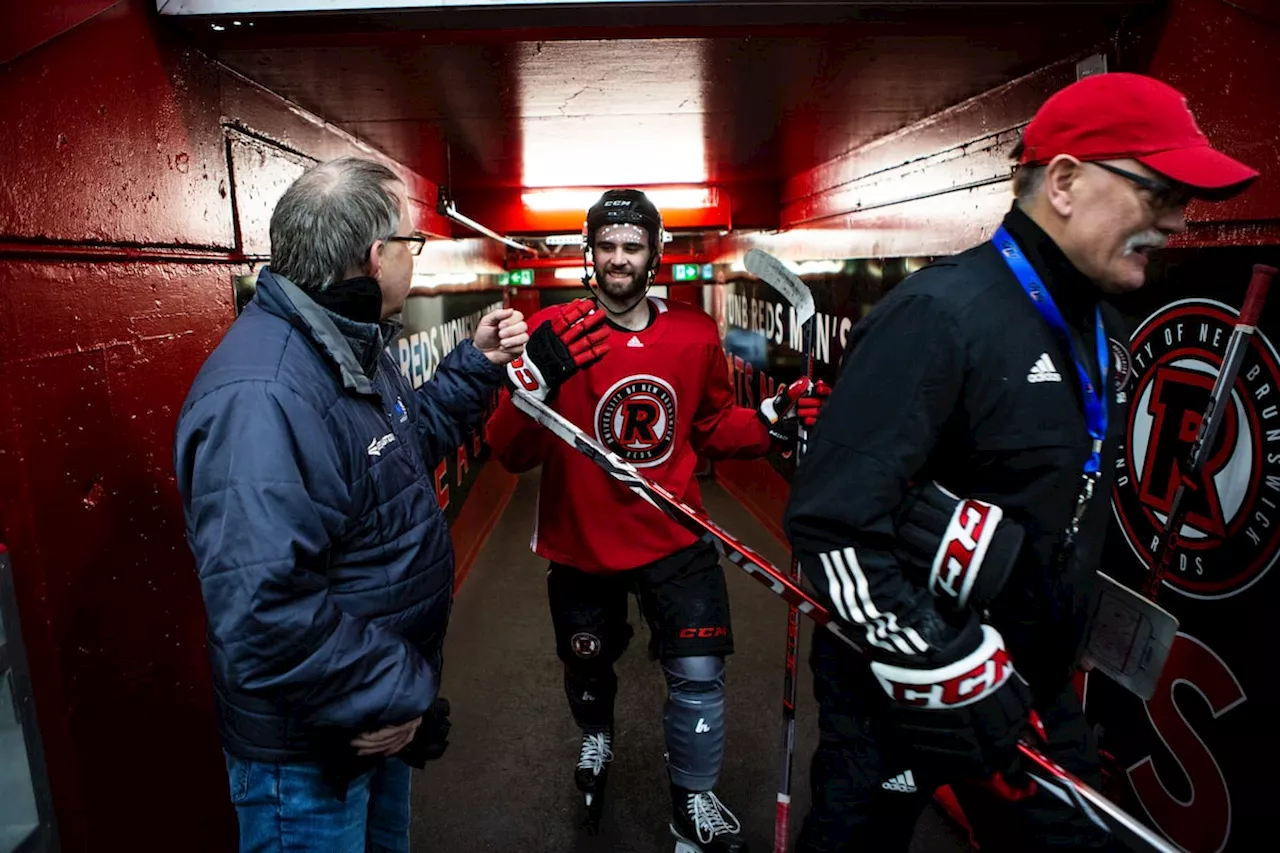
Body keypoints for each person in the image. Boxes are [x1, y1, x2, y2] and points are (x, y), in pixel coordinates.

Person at [783, 72, 1259, 852]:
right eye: (1159, 192)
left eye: (1184, 202)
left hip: (1033, 687)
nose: (1175, 222)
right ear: (1066, 181)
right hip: (898, 689)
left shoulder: (1104, 322)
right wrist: (944, 662)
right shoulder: (939, 315)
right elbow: (830, 522)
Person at [174, 156, 530, 853]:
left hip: (366, 721)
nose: (414, 260)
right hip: (309, 760)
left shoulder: (348, 345)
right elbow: (262, 612)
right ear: (376, 257)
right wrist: (403, 691)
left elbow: (398, 450)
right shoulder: (264, 395)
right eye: (412, 243)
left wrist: (474, 365)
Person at [485, 188, 829, 852]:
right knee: (587, 660)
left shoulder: (695, 333)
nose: (619, 259)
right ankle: (598, 732)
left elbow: (710, 428)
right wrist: (538, 381)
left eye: (632, 246)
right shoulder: (555, 333)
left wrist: (770, 420)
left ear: (655, 254)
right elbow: (509, 450)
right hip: (582, 537)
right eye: (607, 246)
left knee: (699, 672)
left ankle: (692, 799)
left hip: (674, 528)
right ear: (589, 255)